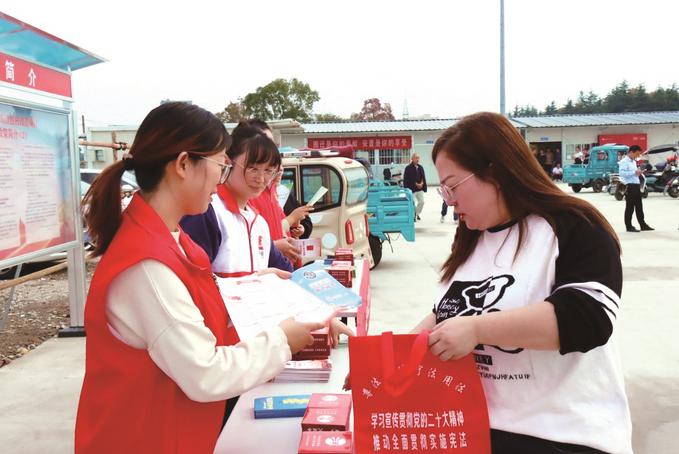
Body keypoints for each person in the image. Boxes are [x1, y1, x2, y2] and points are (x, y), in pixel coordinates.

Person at [75, 102, 322, 453]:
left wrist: (261, 282)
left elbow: (204, 298)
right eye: (221, 166)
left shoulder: (171, 238)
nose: (221, 180)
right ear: (182, 164)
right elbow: (206, 373)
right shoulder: (147, 265)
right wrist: (281, 341)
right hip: (142, 439)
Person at [412, 112, 632, 454]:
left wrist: (476, 330)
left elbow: (587, 319)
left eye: (453, 186)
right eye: (444, 189)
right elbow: (446, 314)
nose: (449, 200)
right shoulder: (472, 238)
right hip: (480, 430)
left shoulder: (573, 226)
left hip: (563, 436)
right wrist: (392, 356)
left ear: (495, 171)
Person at [180, 124, 293, 275]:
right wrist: (256, 281)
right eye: (252, 168)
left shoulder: (258, 222)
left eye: (268, 171)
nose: (261, 179)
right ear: (228, 162)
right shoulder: (208, 211)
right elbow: (193, 280)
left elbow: (286, 271)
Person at [619, 144, 653, 232]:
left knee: (639, 206)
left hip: (636, 185)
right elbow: (622, 174)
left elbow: (635, 172)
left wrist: (638, 173)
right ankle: (629, 226)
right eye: (637, 154)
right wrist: (634, 173)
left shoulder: (633, 162)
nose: (638, 156)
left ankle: (643, 224)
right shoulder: (624, 162)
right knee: (630, 207)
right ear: (631, 152)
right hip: (629, 186)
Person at [403, 153, 427, 221]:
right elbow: (407, 179)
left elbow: (423, 177)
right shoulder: (408, 168)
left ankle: (416, 213)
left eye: (418, 158)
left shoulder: (420, 167)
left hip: (420, 188)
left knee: (422, 202)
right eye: (416, 158)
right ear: (412, 159)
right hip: (412, 189)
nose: (418, 159)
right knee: (412, 202)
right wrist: (416, 184)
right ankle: (413, 215)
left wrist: (422, 183)